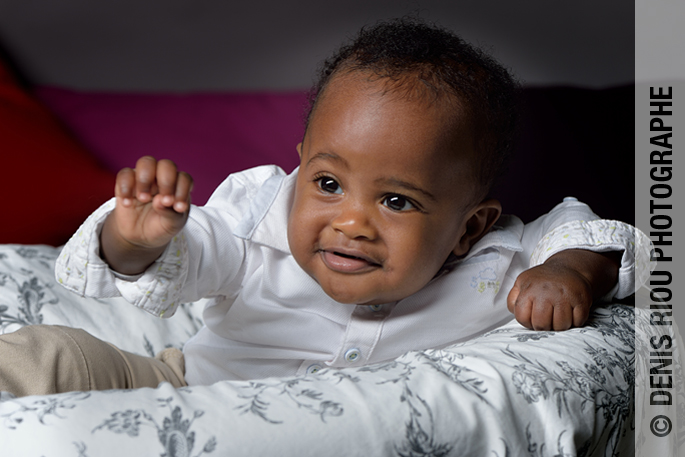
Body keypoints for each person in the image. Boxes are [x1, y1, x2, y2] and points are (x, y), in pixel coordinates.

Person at [0, 18, 645, 397]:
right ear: (301, 164)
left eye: (396, 201)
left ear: (467, 227)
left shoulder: (494, 261)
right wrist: (137, 239)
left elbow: (588, 233)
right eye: (328, 184)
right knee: (51, 356)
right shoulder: (259, 219)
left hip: (341, 431)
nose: (351, 221)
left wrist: (570, 271)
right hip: (186, 397)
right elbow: (189, 255)